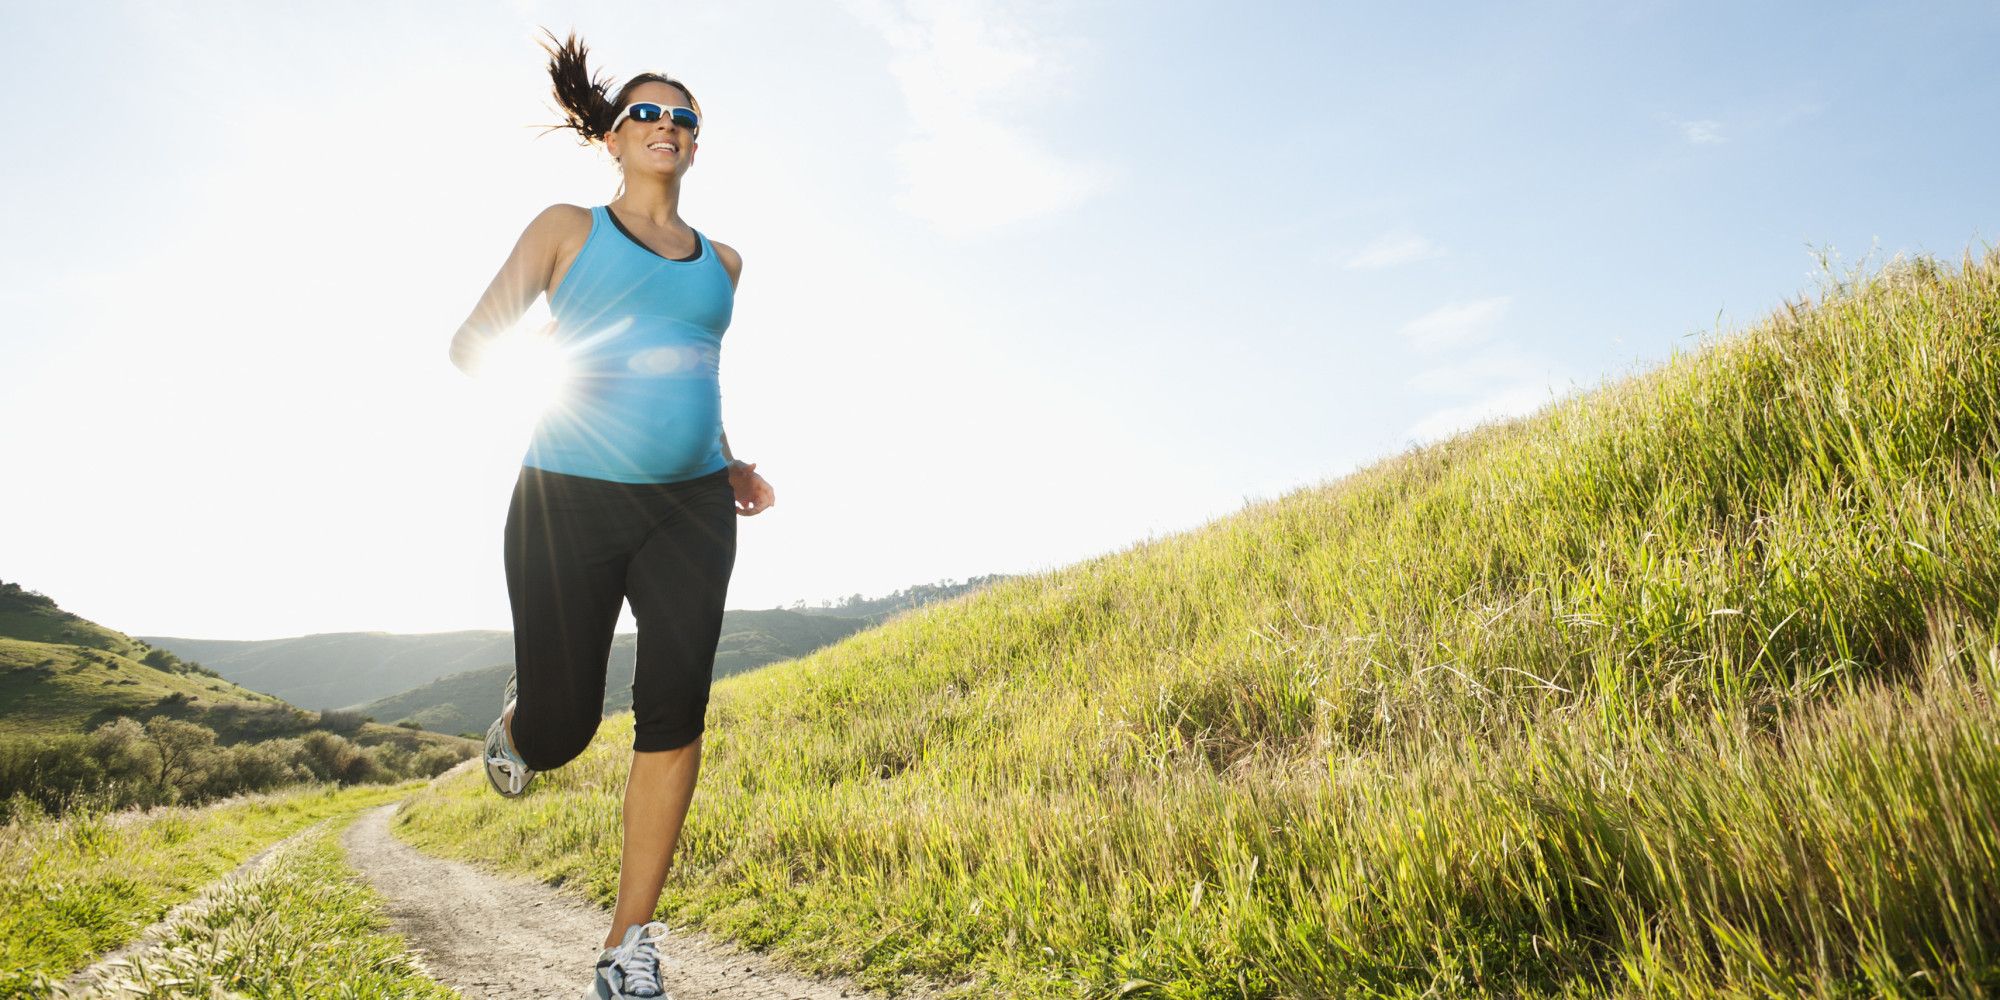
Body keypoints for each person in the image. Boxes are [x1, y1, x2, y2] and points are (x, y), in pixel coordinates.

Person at [444, 27, 775, 1000]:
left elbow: (692, 374)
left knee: (674, 709)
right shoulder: (566, 230)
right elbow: (474, 343)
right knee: (568, 726)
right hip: (567, 498)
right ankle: (521, 724)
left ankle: (628, 945)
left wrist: (726, 460)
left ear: (695, 145)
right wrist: (561, 367)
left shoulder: (723, 262)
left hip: (688, 511)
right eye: (648, 112)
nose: (666, 125)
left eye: (684, 117)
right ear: (614, 138)